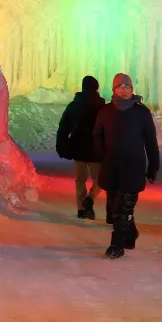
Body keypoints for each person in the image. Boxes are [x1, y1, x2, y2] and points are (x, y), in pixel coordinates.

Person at [93, 73, 159, 259]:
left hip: (133, 167)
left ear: (132, 89)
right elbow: (97, 135)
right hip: (112, 167)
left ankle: (117, 244)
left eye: (127, 87)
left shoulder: (141, 113)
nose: (124, 90)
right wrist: (102, 155)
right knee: (115, 208)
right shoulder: (106, 111)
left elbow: (150, 142)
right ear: (114, 89)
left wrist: (153, 166)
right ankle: (130, 234)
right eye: (120, 86)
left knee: (123, 208)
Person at [56, 75, 106, 219]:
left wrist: (61, 144)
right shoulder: (101, 106)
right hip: (95, 149)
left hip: (77, 148)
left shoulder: (74, 105)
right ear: (96, 88)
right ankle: (90, 199)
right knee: (100, 179)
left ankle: (81, 209)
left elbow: (64, 126)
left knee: (80, 180)